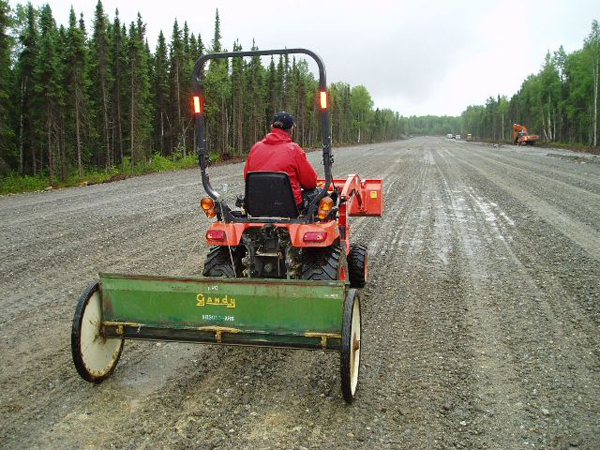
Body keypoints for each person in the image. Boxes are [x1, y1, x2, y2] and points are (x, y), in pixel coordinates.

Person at [244, 112, 318, 207]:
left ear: (272, 127)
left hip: (257, 205)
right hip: (288, 207)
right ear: (291, 129)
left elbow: (247, 178)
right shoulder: (293, 149)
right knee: (320, 195)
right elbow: (310, 182)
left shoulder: (255, 147)